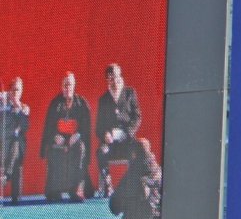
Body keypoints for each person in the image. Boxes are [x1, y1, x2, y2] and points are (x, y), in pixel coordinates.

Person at [40, 72, 92, 203]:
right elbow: (49, 126)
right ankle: (55, 191)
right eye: (65, 85)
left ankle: (76, 190)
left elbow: (86, 126)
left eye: (70, 84)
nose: (67, 87)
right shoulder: (55, 103)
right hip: (59, 140)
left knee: (80, 148)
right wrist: (54, 136)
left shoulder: (82, 103)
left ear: (74, 86)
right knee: (54, 151)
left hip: (76, 140)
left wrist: (78, 134)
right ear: (61, 87)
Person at [95, 64, 142, 197]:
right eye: (110, 78)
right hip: (110, 143)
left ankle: (132, 186)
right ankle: (108, 185)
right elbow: (98, 127)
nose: (114, 81)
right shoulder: (103, 99)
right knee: (100, 152)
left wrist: (128, 132)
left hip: (127, 139)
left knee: (136, 152)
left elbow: (137, 117)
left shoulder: (129, 93)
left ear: (120, 76)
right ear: (107, 81)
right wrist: (104, 134)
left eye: (115, 77)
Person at [1, 78, 30, 205]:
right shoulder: (3, 105)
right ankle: (7, 174)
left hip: (15, 145)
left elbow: (24, 127)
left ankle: (7, 174)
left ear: (21, 92)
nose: (15, 93)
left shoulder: (24, 108)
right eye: (13, 90)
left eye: (18, 90)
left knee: (17, 144)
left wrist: (18, 109)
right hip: (2, 143)